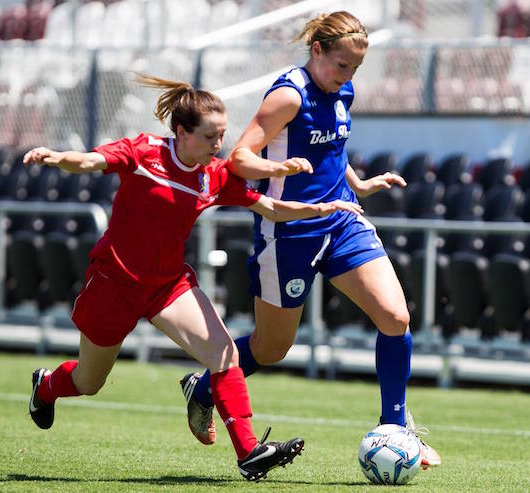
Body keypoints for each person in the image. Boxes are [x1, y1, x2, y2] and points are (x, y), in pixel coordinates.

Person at [23, 74, 363, 482]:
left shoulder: (215, 175)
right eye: (209, 137)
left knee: (224, 355)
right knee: (88, 381)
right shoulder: (144, 151)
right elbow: (93, 161)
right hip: (114, 282)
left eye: (222, 136)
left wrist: (322, 210)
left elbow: (271, 207)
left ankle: (249, 452)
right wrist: (57, 157)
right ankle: (45, 387)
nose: (218, 145)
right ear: (181, 133)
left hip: (168, 286)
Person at [182, 11, 441, 468]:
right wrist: (277, 169)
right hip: (288, 232)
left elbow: (330, 150)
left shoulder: (342, 89)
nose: (348, 76)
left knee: (395, 316)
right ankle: (203, 386)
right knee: (271, 349)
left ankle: (396, 428)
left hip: (341, 220)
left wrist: (358, 185)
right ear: (316, 50)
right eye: (342, 65)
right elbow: (240, 158)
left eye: (356, 69)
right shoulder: (287, 96)